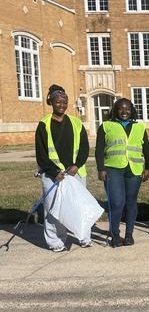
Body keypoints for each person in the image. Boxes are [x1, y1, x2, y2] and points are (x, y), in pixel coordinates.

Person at [35, 84, 92, 252]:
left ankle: (84, 236)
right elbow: (41, 154)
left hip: (75, 173)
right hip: (53, 174)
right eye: (58, 102)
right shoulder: (43, 124)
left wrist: (77, 165)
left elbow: (84, 148)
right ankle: (56, 241)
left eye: (65, 102)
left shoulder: (76, 123)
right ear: (51, 102)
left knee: (79, 206)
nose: (62, 105)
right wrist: (54, 172)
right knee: (53, 209)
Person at [95, 98, 149, 247]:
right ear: (115, 110)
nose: (124, 111)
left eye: (127, 109)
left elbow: (147, 149)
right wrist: (101, 168)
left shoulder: (140, 127)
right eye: (121, 108)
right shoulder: (106, 126)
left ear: (132, 110)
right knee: (117, 202)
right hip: (113, 169)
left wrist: (148, 167)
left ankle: (129, 235)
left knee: (131, 202)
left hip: (134, 169)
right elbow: (99, 149)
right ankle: (115, 235)